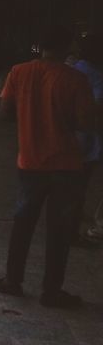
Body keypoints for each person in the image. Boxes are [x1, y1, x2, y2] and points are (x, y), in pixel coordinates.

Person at [0, 25, 94, 308]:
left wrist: (29, 117)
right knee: (59, 231)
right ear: (68, 46)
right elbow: (86, 123)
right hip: (66, 165)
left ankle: (13, 280)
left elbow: (3, 113)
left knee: (23, 225)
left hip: (29, 162)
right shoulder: (76, 79)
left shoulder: (19, 72)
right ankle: (51, 291)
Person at [71, 34, 103, 241]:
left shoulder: (72, 69)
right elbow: (98, 106)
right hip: (89, 136)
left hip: (71, 135)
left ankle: (71, 222)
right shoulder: (97, 75)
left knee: (74, 184)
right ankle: (73, 228)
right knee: (79, 184)